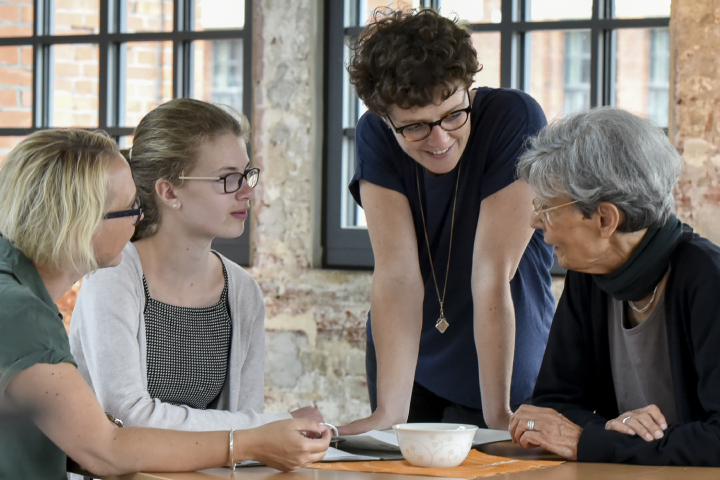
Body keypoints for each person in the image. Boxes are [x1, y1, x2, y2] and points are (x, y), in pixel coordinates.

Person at [0, 129, 330, 479]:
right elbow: (106, 450)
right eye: (130, 208)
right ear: (82, 224)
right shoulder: (22, 313)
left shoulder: (17, 293)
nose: (139, 219)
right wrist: (249, 441)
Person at [339, 8, 555, 434]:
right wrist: (388, 415)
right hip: (410, 356)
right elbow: (398, 276)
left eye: (454, 114)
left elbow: (492, 274)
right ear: (386, 119)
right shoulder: (375, 134)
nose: (440, 140)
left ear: (467, 89)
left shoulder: (514, 117)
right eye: (415, 127)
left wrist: (499, 416)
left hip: (501, 354)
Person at [69, 98, 322, 431]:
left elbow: (247, 434)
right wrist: (272, 425)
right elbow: (127, 416)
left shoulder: (243, 293)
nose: (247, 191)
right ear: (170, 192)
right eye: (227, 178)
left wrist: (268, 431)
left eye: (247, 174)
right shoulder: (113, 277)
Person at [509, 107, 720, 466]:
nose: (534, 220)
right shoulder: (590, 272)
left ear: (605, 218)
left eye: (546, 207)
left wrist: (596, 442)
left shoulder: (707, 279)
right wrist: (611, 429)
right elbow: (552, 407)